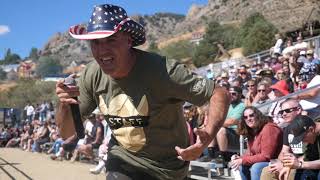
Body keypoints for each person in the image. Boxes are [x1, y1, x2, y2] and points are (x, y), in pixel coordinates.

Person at [55, 4, 230, 180]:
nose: (102, 50)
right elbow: (67, 133)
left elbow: (219, 94)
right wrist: (65, 104)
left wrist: (206, 137)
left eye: (111, 40)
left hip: (168, 169)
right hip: (123, 160)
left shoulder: (163, 71)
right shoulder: (91, 75)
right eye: (95, 42)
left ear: (129, 41)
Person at [230, 106, 282, 180]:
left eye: (251, 115)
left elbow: (266, 156)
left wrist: (243, 160)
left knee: (256, 167)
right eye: (245, 117)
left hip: (276, 161)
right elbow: (251, 154)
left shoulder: (269, 128)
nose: (249, 119)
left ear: (258, 115)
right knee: (242, 166)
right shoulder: (253, 131)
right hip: (265, 161)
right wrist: (240, 158)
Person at [279, 115, 320, 180]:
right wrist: (289, 165)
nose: (302, 141)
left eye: (303, 138)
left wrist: (300, 165)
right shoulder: (313, 135)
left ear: (311, 129)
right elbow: (308, 157)